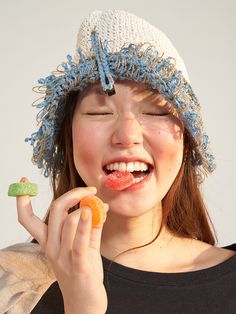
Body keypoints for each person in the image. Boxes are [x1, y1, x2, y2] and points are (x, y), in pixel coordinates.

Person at [0, 9, 236, 314]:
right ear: (67, 138)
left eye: (156, 112)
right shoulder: (11, 282)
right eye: (99, 112)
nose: (127, 136)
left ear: (188, 141)